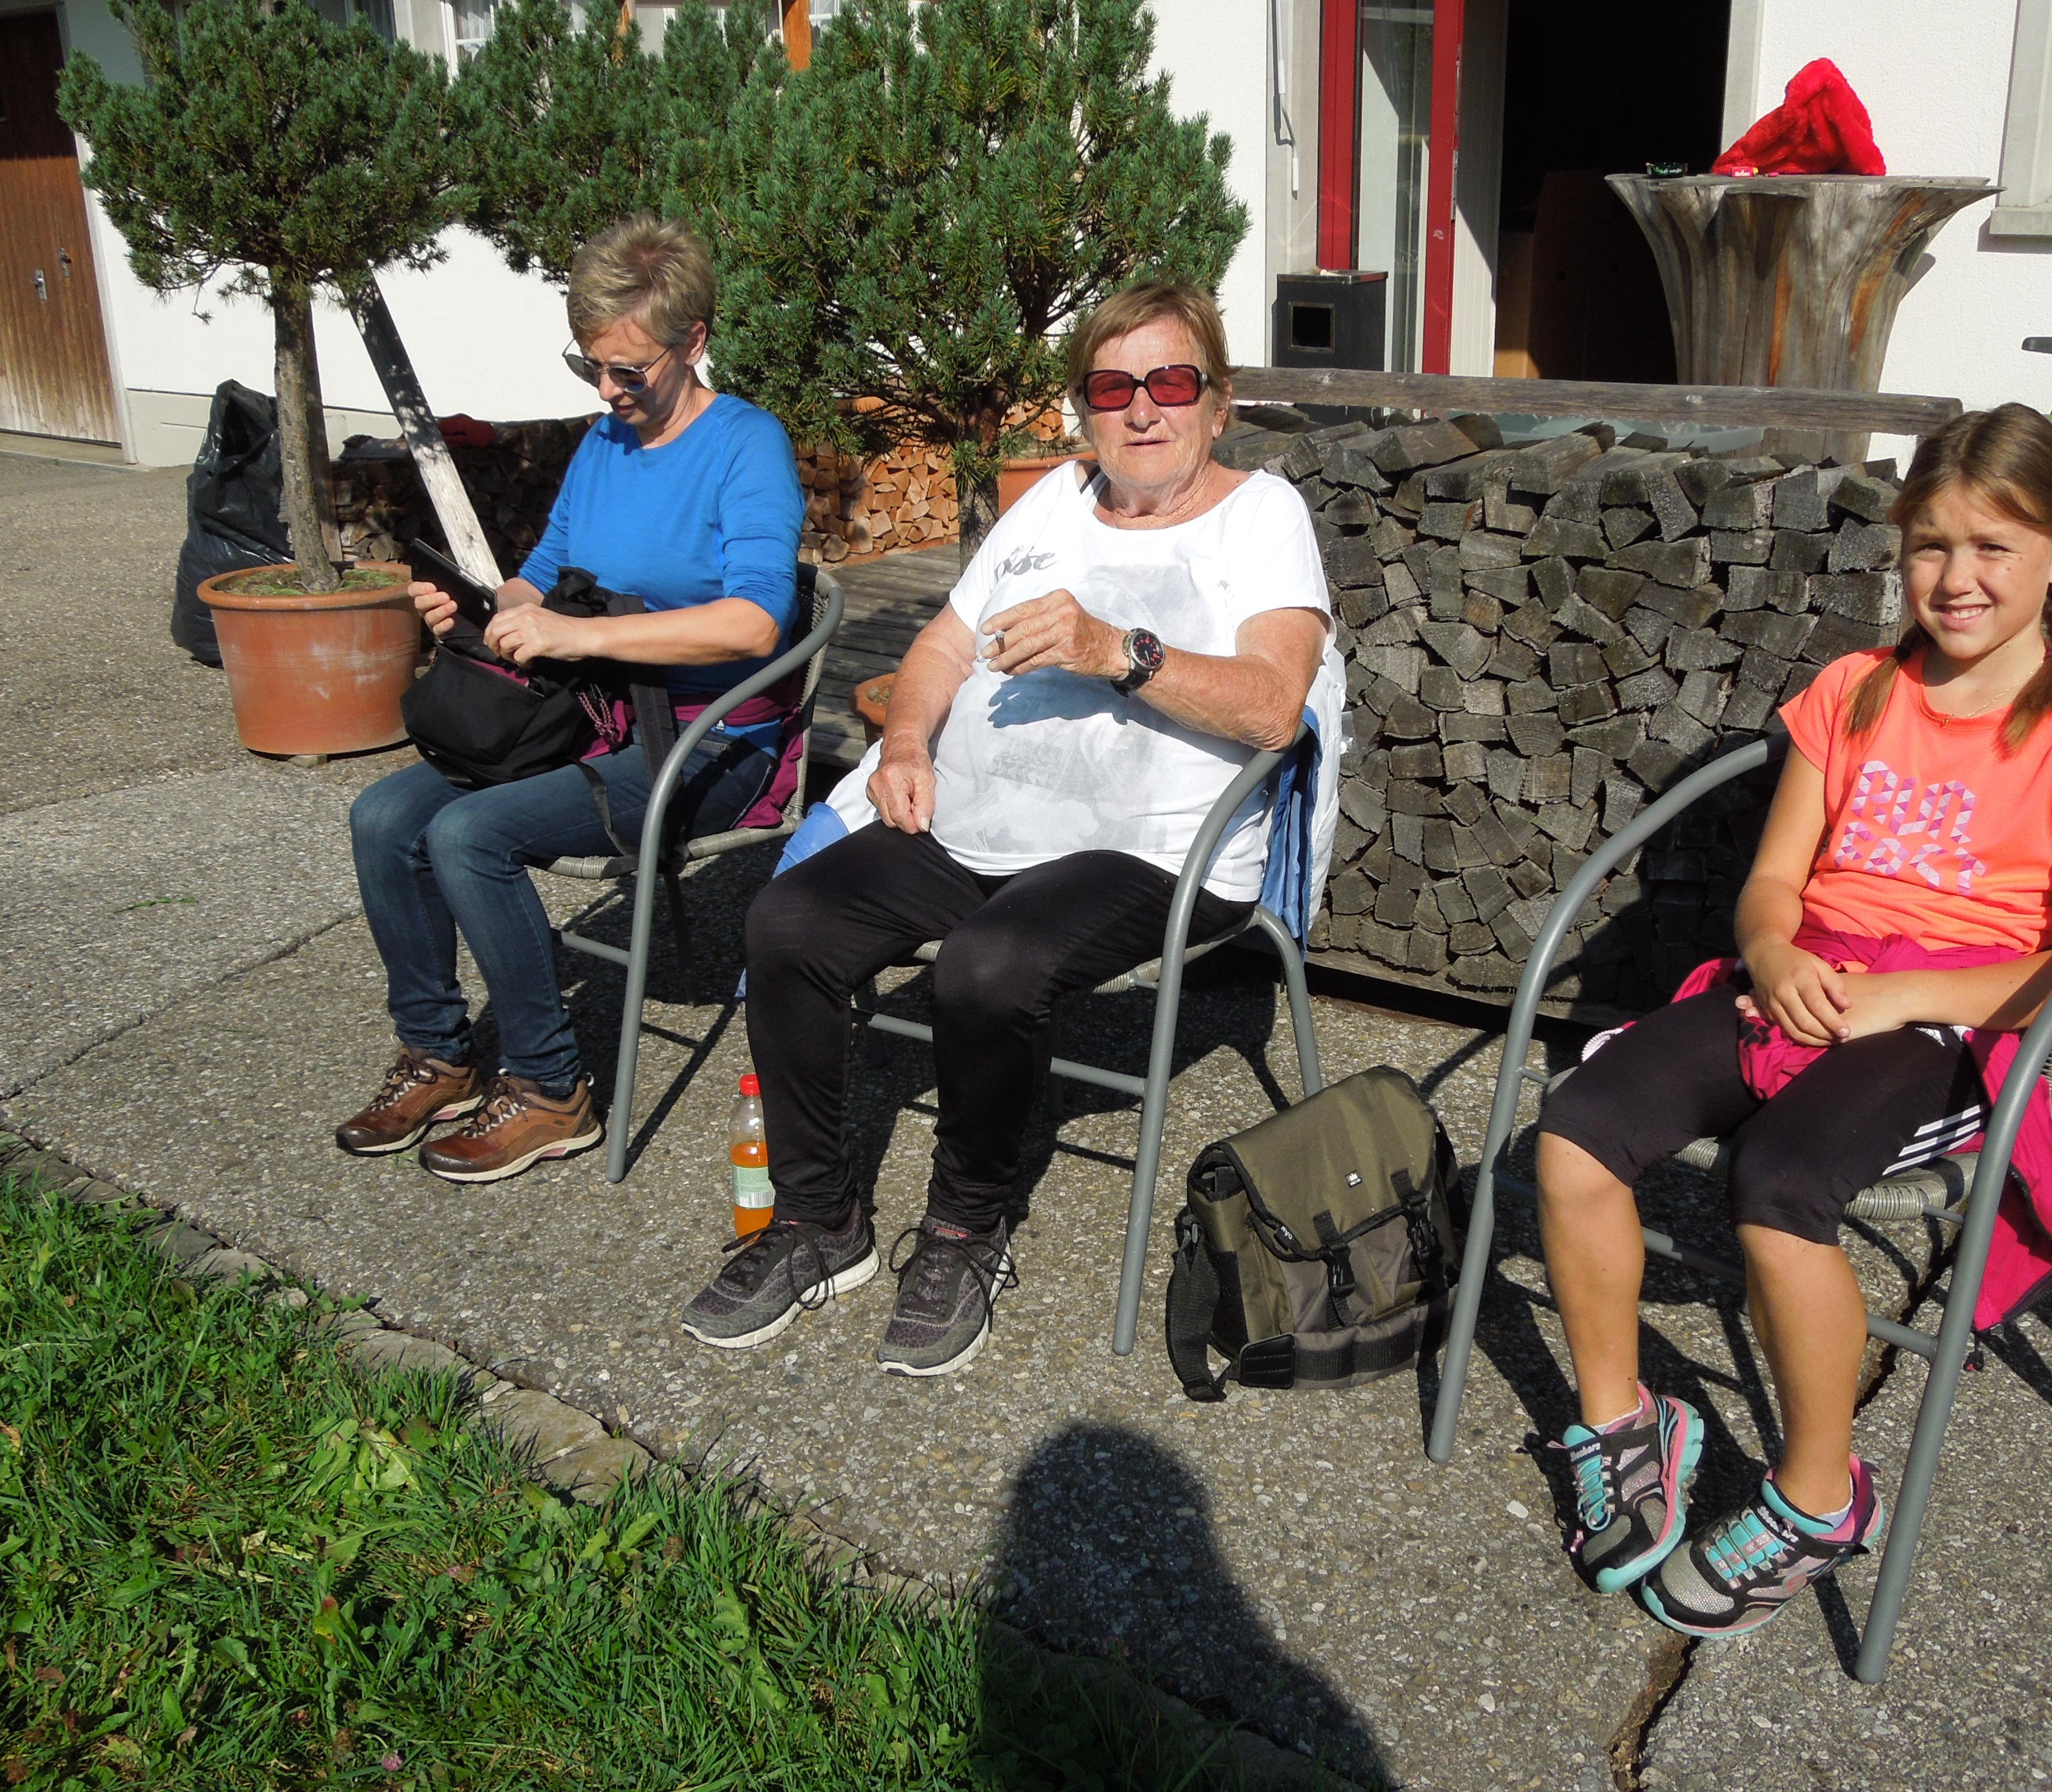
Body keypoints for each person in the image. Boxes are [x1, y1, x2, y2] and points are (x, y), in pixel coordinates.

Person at [1532, 404, 2052, 1637]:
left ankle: (1819, 1498)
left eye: (1993, 547)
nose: (1956, 577)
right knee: (1573, 1134)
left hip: (1956, 1022)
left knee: (1778, 1186)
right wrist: (1774, 951)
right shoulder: (1853, 691)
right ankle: (1622, 1423)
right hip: (1802, 981)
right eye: (1931, 545)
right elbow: (1773, 885)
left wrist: (1900, 996)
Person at [680, 281, 1342, 1376]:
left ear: (1218, 403)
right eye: (1111, 388)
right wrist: (905, 746)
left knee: (989, 966)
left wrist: (1115, 651)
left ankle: (963, 1227)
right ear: (1084, 408)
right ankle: (819, 1221)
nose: (1142, 409)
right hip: (976, 824)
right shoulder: (1050, 505)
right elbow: (943, 646)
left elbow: (1276, 707)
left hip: (1155, 850)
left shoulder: (1260, 517)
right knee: (788, 920)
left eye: (1171, 382)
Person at [336, 216, 805, 1182]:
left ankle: (551, 1090)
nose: (605, 390)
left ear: (695, 339)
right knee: (381, 817)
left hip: (711, 744)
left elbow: (756, 622)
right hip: (589, 716)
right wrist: (484, 610)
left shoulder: (746, 446)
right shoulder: (607, 441)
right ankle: (439, 1053)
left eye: (628, 370)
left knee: (471, 835)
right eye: (589, 365)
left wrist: (577, 637)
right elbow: (545, 571)